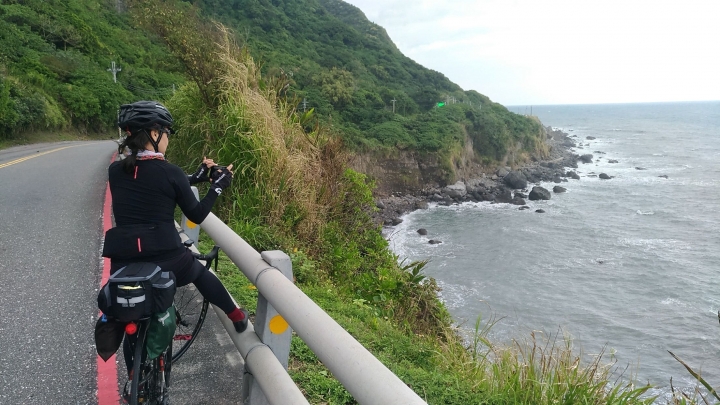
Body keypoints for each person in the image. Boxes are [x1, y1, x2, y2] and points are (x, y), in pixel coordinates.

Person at [103, 100, 249, 380]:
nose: (168, 138)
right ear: (154, 134)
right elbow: (194, 212)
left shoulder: (115, 171)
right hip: (166, 258)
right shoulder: (170, 173)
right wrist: (218, 185)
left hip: (124, 261)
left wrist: (195, 177)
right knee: (199, 271)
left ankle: (135, 375)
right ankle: (237, 316)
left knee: (127, 316)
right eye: (167, 132)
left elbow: (149, 185)